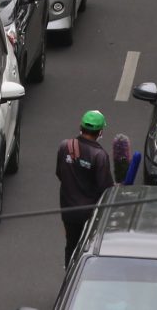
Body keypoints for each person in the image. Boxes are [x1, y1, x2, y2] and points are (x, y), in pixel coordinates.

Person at [56, 109, 115, 264]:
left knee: (71, 244)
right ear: (100, 132)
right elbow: (105, 188)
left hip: (68, 209)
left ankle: (69, 271)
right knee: (89, 247)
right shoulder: (99, 155)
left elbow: (59, 174)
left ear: (81, 127)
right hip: (90, 213)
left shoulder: (64, 146)